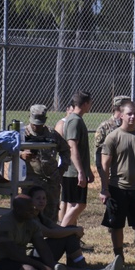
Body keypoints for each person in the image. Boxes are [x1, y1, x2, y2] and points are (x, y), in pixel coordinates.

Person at [99, 101, 135, 264]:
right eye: (129, 114)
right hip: (117, 188)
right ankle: (119, 256)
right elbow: (105, 166)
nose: (132, 117)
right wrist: (104, 188)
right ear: (121, 115)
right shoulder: (113, 137)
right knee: (117, 224)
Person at [28, 185, 123, 270]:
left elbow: (58, 229)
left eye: (44, 198)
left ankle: (82, 268)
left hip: (41, 252)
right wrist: (74, 230)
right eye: (38, 198)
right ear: (30, 201)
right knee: (70, 233)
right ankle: (85, 269)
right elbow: (50, 233)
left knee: (69, 233)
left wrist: (75, 229)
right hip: (32, 256)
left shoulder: (40, 216)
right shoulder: (30, 218)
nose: (42, 201)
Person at [0, 195, 72, 270]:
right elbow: (13, 254)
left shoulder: (32, 223)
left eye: (33, 208)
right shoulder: (4, 224)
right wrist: (41, 265)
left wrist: (51, 265)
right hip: (1, 265)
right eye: (29, 210)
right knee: (28, 269)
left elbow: (43, 248)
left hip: (23, 260)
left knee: (58, 266)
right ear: (17, 209)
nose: (33, 212)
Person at [20, 104, 70, 224]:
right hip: (31, 179)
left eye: (40, 124)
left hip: (51, 180)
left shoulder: (52, 134)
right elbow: (11, 150)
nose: (37, 127)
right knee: (29, 210)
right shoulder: (24, 134)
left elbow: (65, 150)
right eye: (35, 124)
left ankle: (50, 239)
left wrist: (62, 169)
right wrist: (21, 154)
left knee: (51, 210)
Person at [60, 91, 93, 228]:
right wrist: (80, 171)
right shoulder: (74, 120)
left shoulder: (76, 119)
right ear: (85, 104)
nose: (91, 106)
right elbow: (72, 146)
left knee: (73, 204)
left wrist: (87, 170)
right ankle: (60, 232)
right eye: (90, 103)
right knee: (79, 204)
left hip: (75, 171)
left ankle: (69, 238)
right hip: (73, 172)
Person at [94, 95, 131, 180]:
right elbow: (98, 153)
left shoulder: (130, 126)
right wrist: (103, 174)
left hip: (127, 173)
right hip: (111, 174)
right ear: (120, 108)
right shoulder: (105, 127)